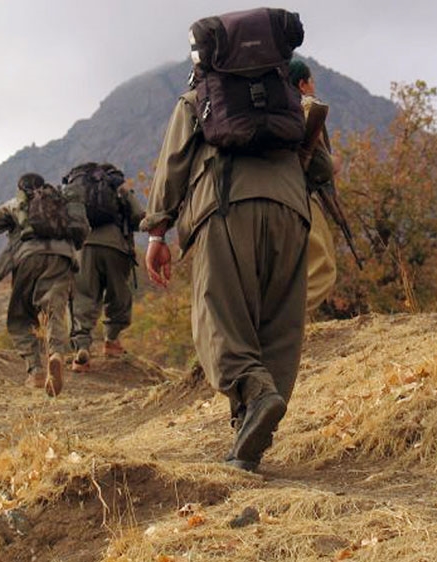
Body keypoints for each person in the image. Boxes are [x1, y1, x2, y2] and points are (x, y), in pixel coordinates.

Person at [142, 18, 310, 473]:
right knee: (278, 324)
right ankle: (249, 435)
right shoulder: (291, 96)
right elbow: (322, 165)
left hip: (225, 206)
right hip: (293, 213)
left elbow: (173, 164)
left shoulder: (199, 98)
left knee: (217, 315)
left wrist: (157, 232)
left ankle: (254, 395)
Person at [0, 173, 89, 397]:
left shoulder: (16, 204)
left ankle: (36, 370)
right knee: (54, 308)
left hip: (28, 258)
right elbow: (81, 231)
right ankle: (56, 353)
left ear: (21, 188)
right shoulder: (60, 203)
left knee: (20, 317)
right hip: (62, 258)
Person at [68, 163, 145, 371]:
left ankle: (81, 350)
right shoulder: (117, 184)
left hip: (83, 247)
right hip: (115, 245)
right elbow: (138, 215)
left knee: (83, 296)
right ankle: (111, 341)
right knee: (118, 294)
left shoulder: (80, 189)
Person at [289, 59, 339, 313]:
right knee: (322, 268)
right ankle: (284, 325)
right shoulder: (307, 108)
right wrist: (332, 163)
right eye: (311, 81)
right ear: (302, 84)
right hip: (298, 195)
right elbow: (319, 166)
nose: (313, 86)